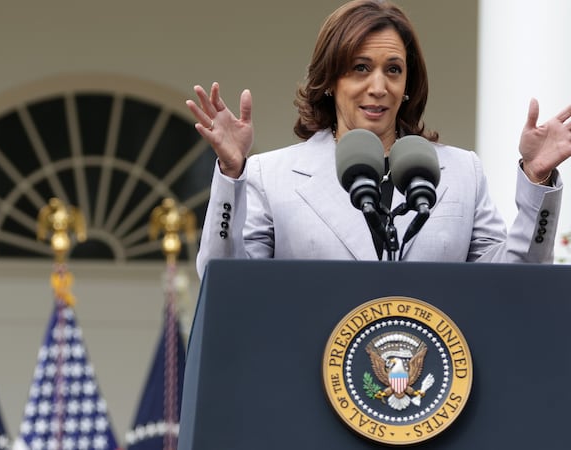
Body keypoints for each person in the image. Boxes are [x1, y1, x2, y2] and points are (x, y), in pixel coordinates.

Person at [187, 0, 571, 278]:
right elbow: (225, 280)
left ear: (407, 84)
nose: (378, 87)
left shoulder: (461, 171)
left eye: (393, 69)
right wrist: (232, 172)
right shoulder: (271, 175)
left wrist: (536, 178)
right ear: (330, 82)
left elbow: (516, 280)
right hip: (313, 383)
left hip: (437, 383)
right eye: (359, 68)